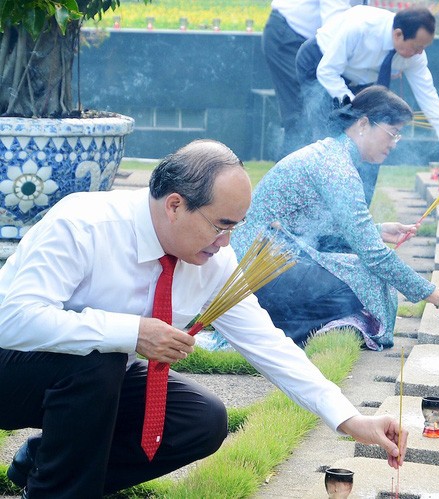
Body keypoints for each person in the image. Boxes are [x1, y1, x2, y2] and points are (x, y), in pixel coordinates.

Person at [0, 139, 407, 498]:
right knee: (102, 356)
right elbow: (13, 319)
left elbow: (267, 344)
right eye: (221, 225)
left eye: (236, 226)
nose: (226, 241)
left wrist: (351, 418)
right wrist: (131, 332)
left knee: (200, 419)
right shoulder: (84, 224)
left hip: (92, 385)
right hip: (14, 368)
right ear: (175, 204)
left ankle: (44, 466)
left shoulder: (213, 260)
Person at [228, 86, 439, 350]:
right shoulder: (337, 169)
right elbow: (375, 255)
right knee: (363, 281)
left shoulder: (332, 155)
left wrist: (377, 229)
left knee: (360, 274)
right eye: (391, 133)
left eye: (398, 136)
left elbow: (314, 224)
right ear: (363, 124)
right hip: (256, 269)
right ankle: (280, 328)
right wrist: (438, 296)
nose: (393, 143)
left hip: (266, 257)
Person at [296, 5, 439, 204]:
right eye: (417, 47)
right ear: (398, 34)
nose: (419, 53)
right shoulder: (360, 28)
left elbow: (428, 94)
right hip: (320, 64)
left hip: (360, 82)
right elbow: (327, 71)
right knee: (331, 142)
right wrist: (356, 107)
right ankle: (317, 209)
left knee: (373, 141)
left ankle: (359, 212)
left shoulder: (414, 54)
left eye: (424, 48)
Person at [262, 0, 351, 158]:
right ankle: (287, 181)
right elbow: (338, 23)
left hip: (315, 45)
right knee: (302, 117)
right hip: (289, 36)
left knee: (315, 116)